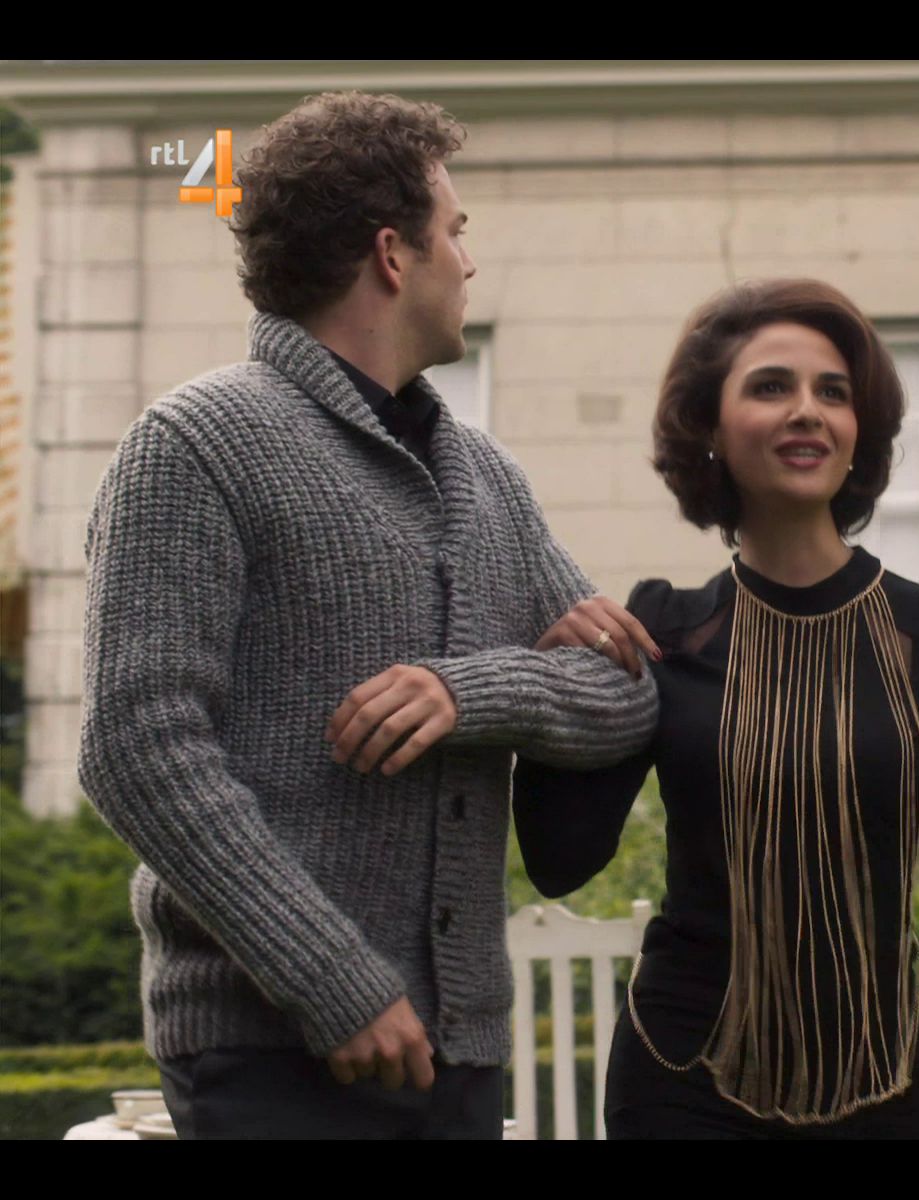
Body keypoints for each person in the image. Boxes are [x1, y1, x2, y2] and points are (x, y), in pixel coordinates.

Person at [76, 90, 661, 1140]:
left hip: (461, 1047)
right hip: (272, 1052)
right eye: (457, 233)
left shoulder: (485, 477)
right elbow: (137, 748)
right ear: (394, 254)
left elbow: (626, 693)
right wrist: (333, 981)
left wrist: (469, 691)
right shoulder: (193, 444)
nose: (469, 263)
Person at [513, 278, 919, 1139]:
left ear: (858, 433)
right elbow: (558, 862)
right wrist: (552, 690)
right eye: (771, 386)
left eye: (834, 392)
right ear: (710, 427)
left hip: (881, 1089)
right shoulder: (666, 629)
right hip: (680, 1083)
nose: (807, 411)